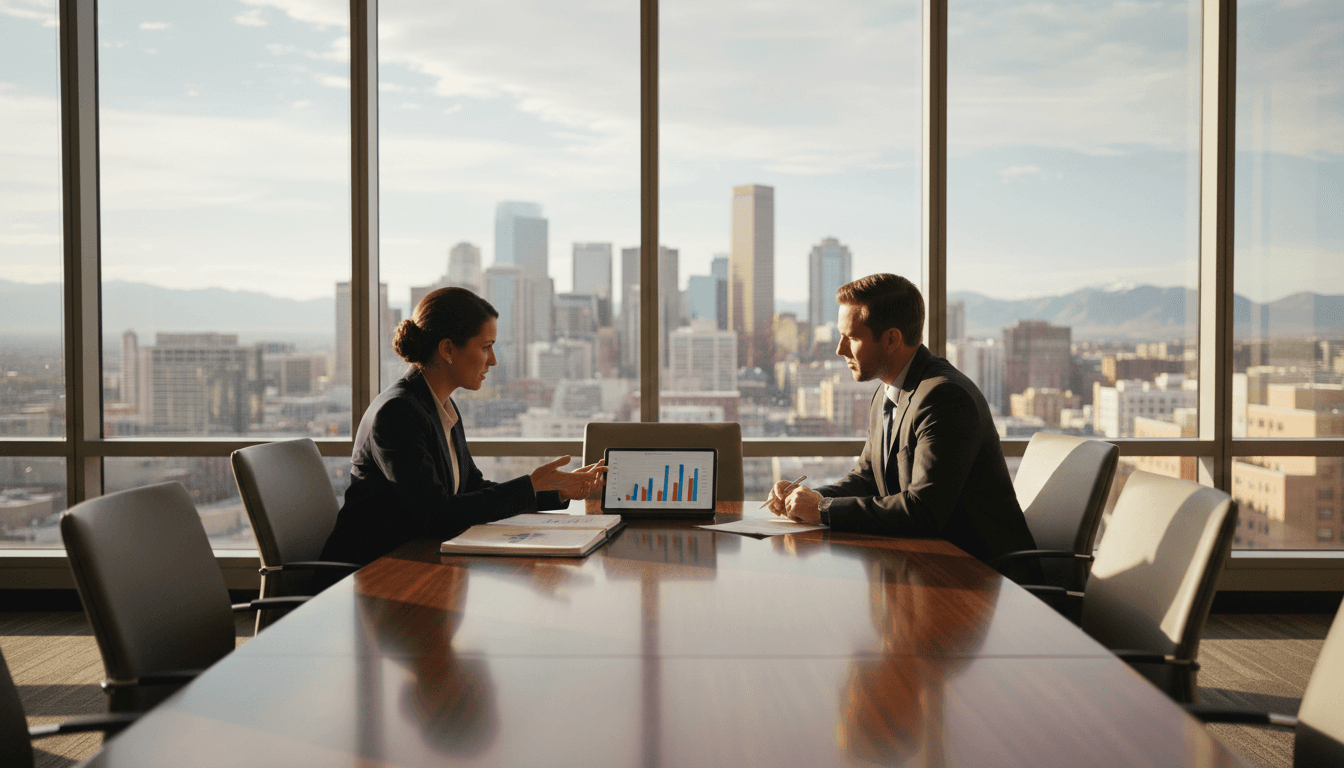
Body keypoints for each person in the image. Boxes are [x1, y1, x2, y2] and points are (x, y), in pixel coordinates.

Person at [765, 273, 1037, 580]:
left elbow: (923, 511)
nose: (840, 350)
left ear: (892, 338)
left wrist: (823, 509)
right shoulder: (888, 390)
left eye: (851, 338)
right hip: (925, 566)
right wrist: (804, 499)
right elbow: (867, 478)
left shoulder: (944, 398)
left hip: (983, 580)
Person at [319, 286, 605, 568]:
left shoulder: (442, 406)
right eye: (486, 347)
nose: (493, 361)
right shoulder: (397, 413)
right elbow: (437, 514)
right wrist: (530, 485)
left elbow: (471, 488)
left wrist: (555, 490)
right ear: (447, 349)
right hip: (367, 576)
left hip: (416, 561)